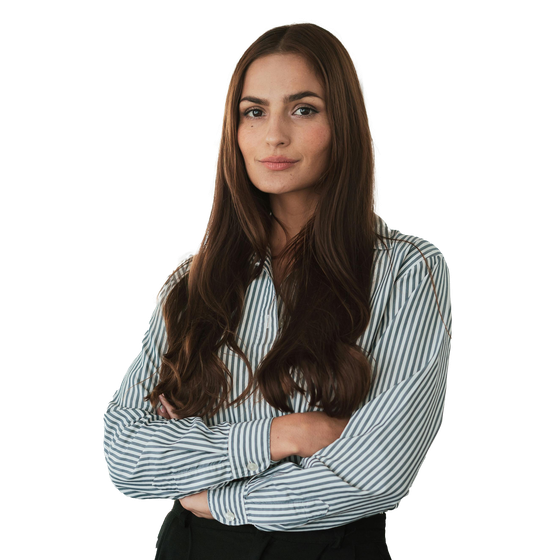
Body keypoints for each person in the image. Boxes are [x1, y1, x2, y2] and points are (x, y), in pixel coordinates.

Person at [102, 20, 453, 560]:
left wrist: (217, 500)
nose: (274, 136)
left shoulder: (409, 271)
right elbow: (127, 457)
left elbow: (377, 473)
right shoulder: (197, 274)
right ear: (235, 130)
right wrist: (284, 435)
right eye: (254, 111)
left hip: (326, 549)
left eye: (304, 109)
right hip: (189, 547)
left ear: (343, 123)